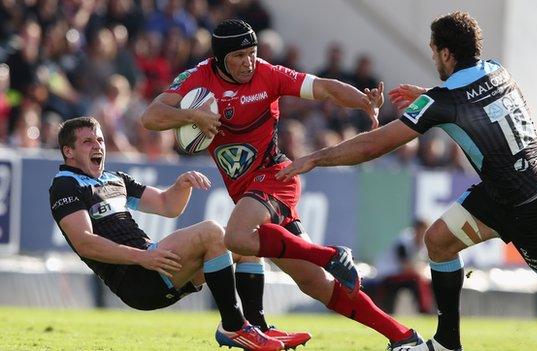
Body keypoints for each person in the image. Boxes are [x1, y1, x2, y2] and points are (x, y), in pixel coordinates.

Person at [277, 11, 537, 351]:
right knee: (439, 241)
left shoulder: (443, 102)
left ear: (447, 53)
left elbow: (374, 144)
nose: (433, 58)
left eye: (434, 52)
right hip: (509, 191)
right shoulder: (496, 71)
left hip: (530, 207)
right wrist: (433, 96)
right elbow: (476, 104)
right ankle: (447, 343)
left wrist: (315, 157)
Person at [141, 18, 423, 351]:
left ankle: (330, 255)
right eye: (239, 56)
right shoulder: (198, 78)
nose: (248, 62)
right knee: (315, 283)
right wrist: (193, 116)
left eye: (252, 52)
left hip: (277, 178)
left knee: (236, 236)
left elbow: (324, 87)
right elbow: (151, 116)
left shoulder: (268, 74)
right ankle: (402, 336)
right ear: (220, 59)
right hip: (247, 190)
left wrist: (362, 101)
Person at [49, 117, 284, 351]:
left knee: (244, 243)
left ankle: (258, 328)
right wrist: (142, 257)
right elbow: (84, 243)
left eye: (99, 139)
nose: (98, 146)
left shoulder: (115, 178)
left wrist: (182, 185)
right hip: (135, 277)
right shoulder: (65, 185)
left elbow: (167, 205)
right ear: (68, 151)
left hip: (155, 265)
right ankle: (233, 326)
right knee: (211, 231)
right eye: (87, 142)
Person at [372, 219, 434, 315]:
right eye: (421, 232)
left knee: (423, 280)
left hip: (405, 275)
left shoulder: (425, 244)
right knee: (417, 280)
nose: (422, 236)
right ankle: (425, 312)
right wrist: (420, 271)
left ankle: (426, 313)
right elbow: (406, 266)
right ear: (415, 230)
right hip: (389, 273)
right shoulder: (403, 241)